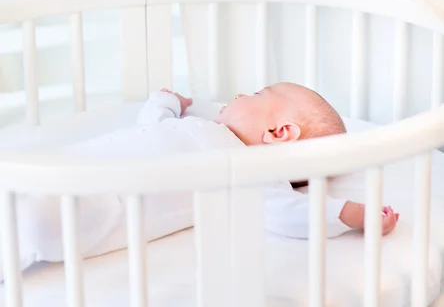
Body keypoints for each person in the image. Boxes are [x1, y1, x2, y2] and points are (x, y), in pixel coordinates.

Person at [1, 83, 398, 280]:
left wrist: (350, 212)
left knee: (34, 221)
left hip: (93, 206)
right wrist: (167, 103)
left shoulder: (242, 168)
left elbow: (286, 213)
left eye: (258, 93)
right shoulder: (202, 131)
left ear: (279, 132)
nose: (240, 93)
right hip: (68, 166)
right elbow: (152, 128)